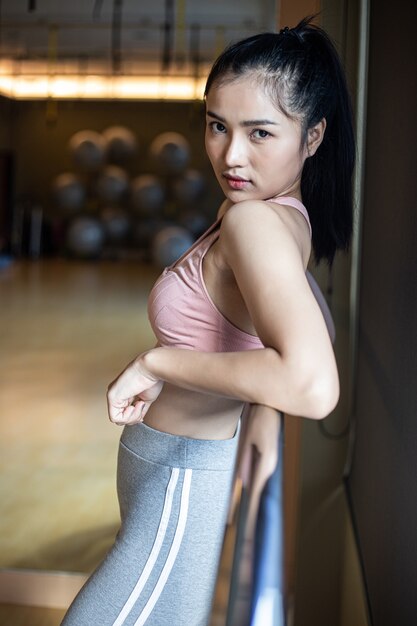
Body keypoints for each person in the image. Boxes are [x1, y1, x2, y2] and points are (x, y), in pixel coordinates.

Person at [62, 16, 355, 626]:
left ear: (314, 136)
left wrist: (153, 361)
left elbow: (312, 382)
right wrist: (260, 417)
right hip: (173, 479)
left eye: (260, 132)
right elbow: (276, 332)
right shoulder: (270, 214)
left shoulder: (256, 224)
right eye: (218, 126)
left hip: (179, 487)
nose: (231, 154)